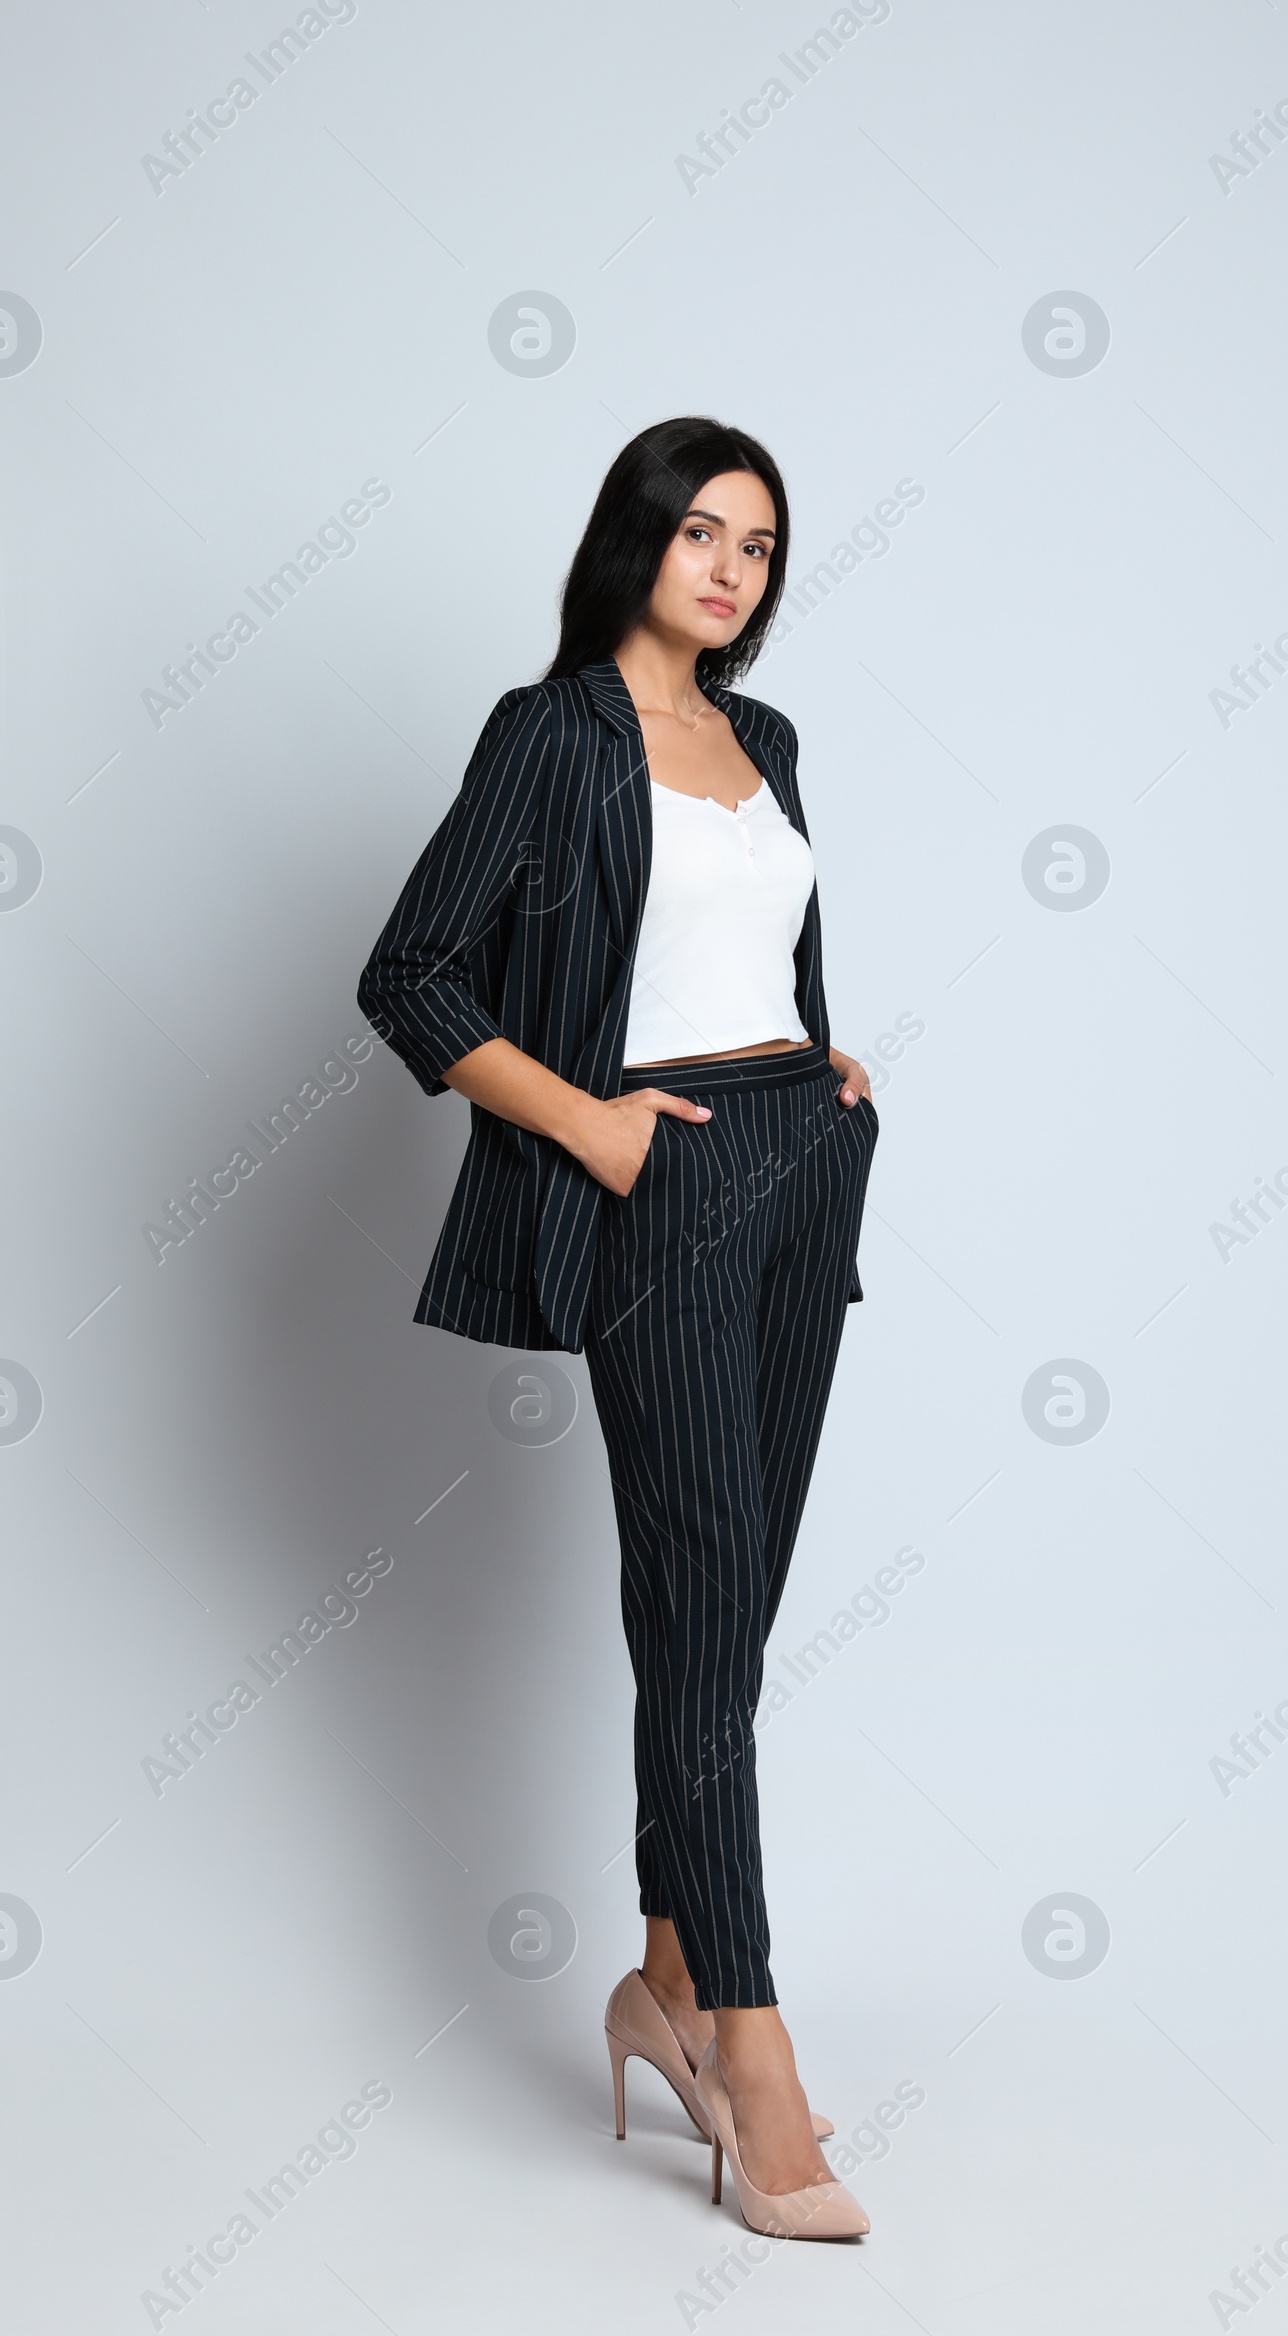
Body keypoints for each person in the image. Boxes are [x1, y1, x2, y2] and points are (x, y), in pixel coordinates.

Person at [358, 418, 878, 2238]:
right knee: (707, 1583)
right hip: (660, 1176)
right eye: (704, 532)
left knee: (722, 1612)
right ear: (638, 539)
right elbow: (409, 968)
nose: (732, 569)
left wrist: (830, 1068)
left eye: (760, 545)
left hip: (804, 1167)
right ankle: (750, 2043)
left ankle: (661, 1968)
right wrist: (586, 1126)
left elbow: (757, 945)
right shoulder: (552, 731)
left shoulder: (773, 741)